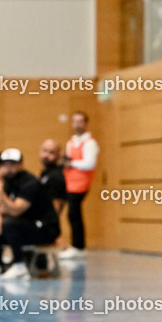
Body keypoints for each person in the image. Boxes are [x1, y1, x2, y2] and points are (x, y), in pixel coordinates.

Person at [0, 149, 61, 280]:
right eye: (6, 164)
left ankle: (19, 266)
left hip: (45, 229)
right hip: (24, 225)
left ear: (20, 164)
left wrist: (0, 191)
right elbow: (4, 207)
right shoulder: (8, 182)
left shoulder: (30, 183)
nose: (9, 168)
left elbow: (15, 210)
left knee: (10, 223)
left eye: (13, 164)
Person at [61, 111, 98, 259]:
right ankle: (76, 244)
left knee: (74, 214)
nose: (77, 124)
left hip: (80, 183)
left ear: (86, 123)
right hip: (70, 181)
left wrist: (72, 163)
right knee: (72, 214)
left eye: (80, 121)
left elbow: (90, 163)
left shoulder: (90, 143)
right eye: (74, 121)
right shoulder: (71, 142)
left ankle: (78, 246)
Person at [38, 139, 67, 217]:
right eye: (45, 151)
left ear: (58, 155)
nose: (47, 155)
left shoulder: (56, 176)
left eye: (52, 152)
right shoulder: (45, 173)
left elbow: (56, 206)